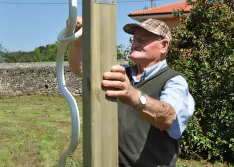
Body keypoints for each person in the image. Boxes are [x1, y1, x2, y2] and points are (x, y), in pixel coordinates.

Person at [68, 17, 195, 167]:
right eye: (134, 39)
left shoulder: (174, 80)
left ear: (163, 45)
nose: (135, 43)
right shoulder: (123, 73)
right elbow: (81, 69)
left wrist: (134, 96)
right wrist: (78, 37)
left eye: (142, 39)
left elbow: (167, 117)